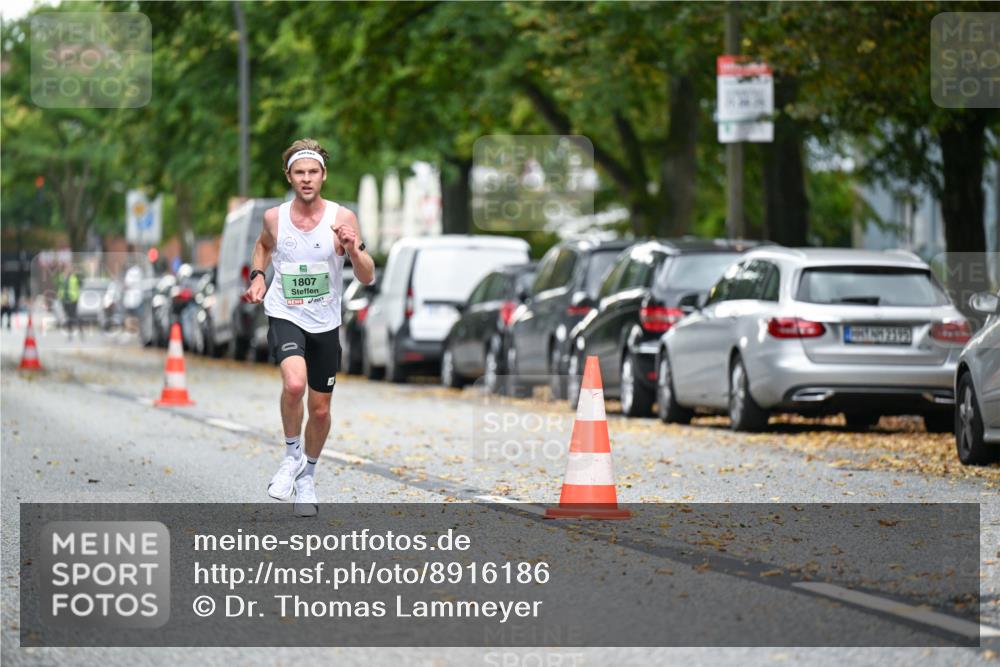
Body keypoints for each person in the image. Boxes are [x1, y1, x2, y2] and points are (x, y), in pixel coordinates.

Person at [244, 139, 375, 517]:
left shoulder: (342, 218)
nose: (306, 179)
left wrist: (353, 248)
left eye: (313, 172)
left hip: (325, 322)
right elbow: (263, 246)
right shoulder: (275, 217)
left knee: (319, 410)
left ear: (323, 175)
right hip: (285, 312)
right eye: (299, 173)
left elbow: (366, 276)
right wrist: (258, 277)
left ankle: (307, 477)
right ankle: (290, 457)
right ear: (289, 176)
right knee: (294, 384)